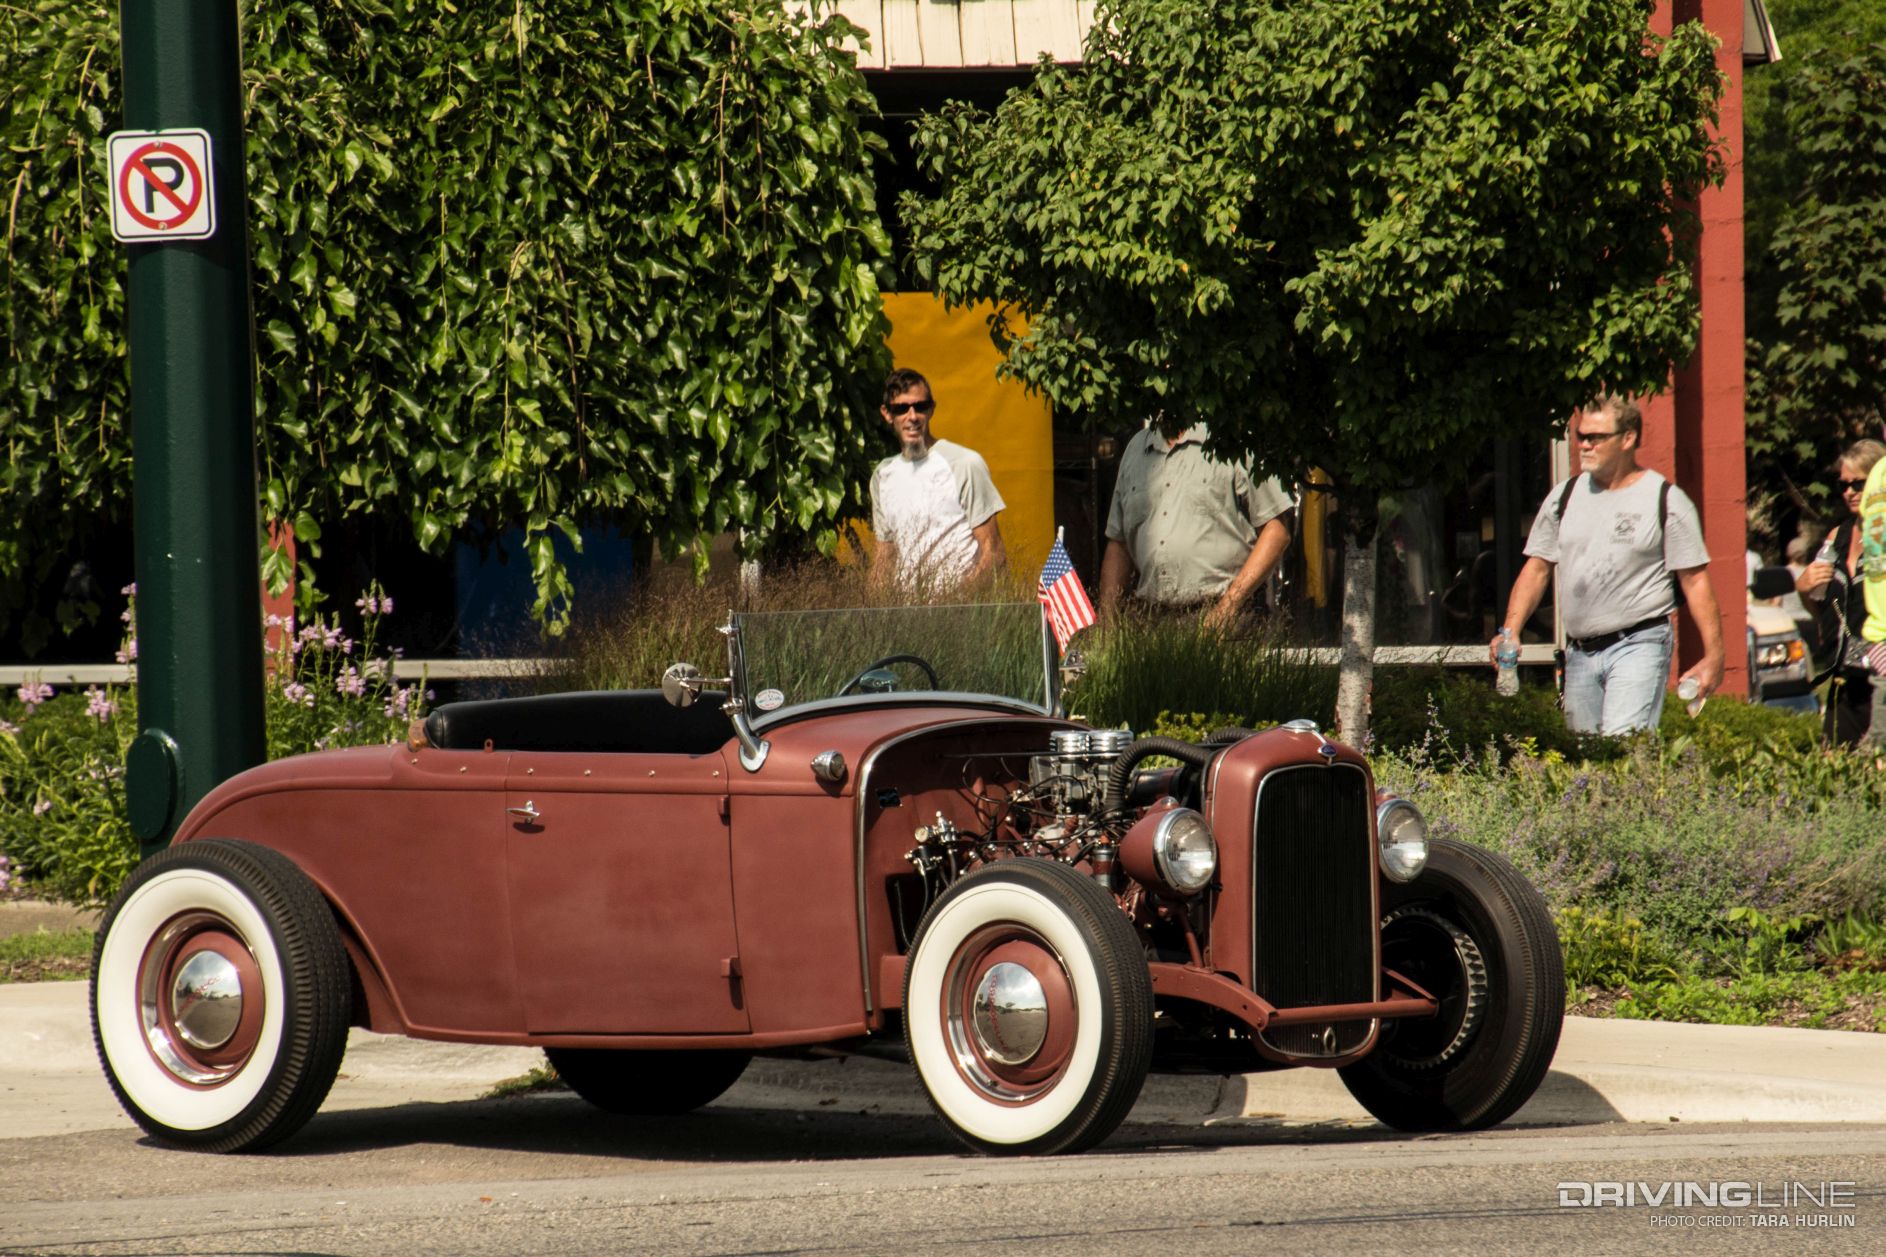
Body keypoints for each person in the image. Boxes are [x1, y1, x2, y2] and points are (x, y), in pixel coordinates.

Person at [1490, 395, 1723, 735]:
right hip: (1580, 651)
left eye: (1596, 437)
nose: (1584, 445)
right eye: (1581, 436)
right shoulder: (1564, 497)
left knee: (1622, 747)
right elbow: (1537, 569)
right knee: (1585, 759)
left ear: (1628, 439)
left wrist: (1714, 657)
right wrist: (1509, 632)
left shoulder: (1665, 500)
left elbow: (1696, 582)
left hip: (1639, 641)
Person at [1096, 414, 1293, 630]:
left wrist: (1227, 608)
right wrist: (1107, 624)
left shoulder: (1234, 440)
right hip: (1154, 625)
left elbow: (1276, 532)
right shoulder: (1135, 449)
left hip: (1227, 622)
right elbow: (1118, 544)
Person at [868, 368, 1007, 593]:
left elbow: (994, 554)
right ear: (887, 413)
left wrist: (955, 602)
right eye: (901, 408)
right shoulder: (882, 476)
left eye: (920, 407)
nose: (912, 417)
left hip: (960, 615)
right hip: (907, 619)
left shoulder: (964, 463)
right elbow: (884, 560)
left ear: (932, 409)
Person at [1799, 438, 1886, 745]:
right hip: (1844, 674)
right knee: (1834, 771)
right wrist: (1803, 589)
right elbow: (1822, 607)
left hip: (1879, 671)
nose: (1849, 492)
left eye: (1858, 484)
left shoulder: (1882, 535)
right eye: (1843, 485)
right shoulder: (1837, 536)